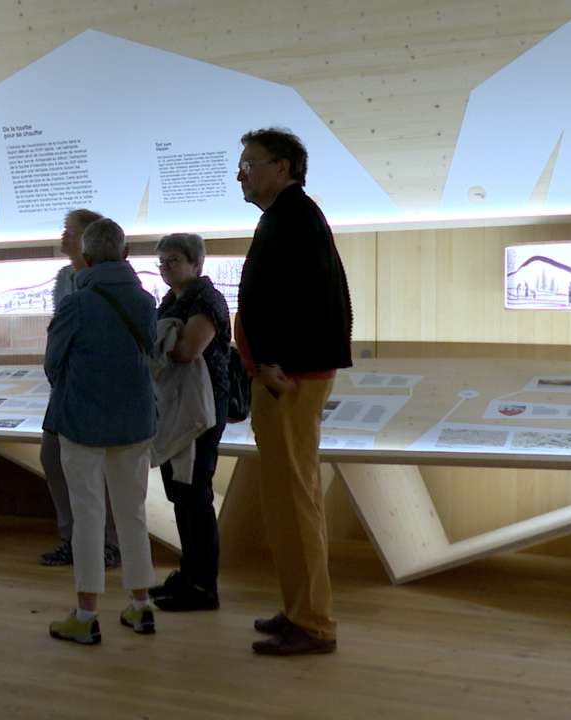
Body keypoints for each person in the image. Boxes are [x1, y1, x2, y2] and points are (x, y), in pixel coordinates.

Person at [234, 128, 352, 656]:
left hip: (290, 378)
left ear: (282, 168)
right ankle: (299, 608)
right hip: (286, 374)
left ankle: (314, 622)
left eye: (250, 163)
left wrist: (273, 362)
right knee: (287, 498)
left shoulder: (295, 218)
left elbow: (302, 302)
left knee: (295, 496)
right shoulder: (287, 217)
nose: (240, 173)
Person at [43, 218, 158, 645]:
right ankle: (142, 605)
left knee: (88, 516)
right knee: (133, 513)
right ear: (125, 255)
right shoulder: (145, 301)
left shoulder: (75, 304)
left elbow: (52, 363)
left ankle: (87, 614)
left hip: (82, 422)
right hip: (135, 421)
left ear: (87, 258)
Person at [148, 232, 230, 612]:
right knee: (180, 494)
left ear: (197, 263)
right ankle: (188, 574)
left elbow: (186, 349)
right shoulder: (170, 301)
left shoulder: (206, 299)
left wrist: (162, 340)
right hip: (175, 407)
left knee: (196, 495)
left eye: (174, 260)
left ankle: (203, 585)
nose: (166, 268)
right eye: (161, 262)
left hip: (201, 409)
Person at [39, 208, 122, 569]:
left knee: (100, 469)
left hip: (96, 386)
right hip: (65, 385)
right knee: (52, 457)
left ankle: (109, 543)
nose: (63, 236)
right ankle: (72, 539)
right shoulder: (64, 277)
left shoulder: (107, 280)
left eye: (70, 231)